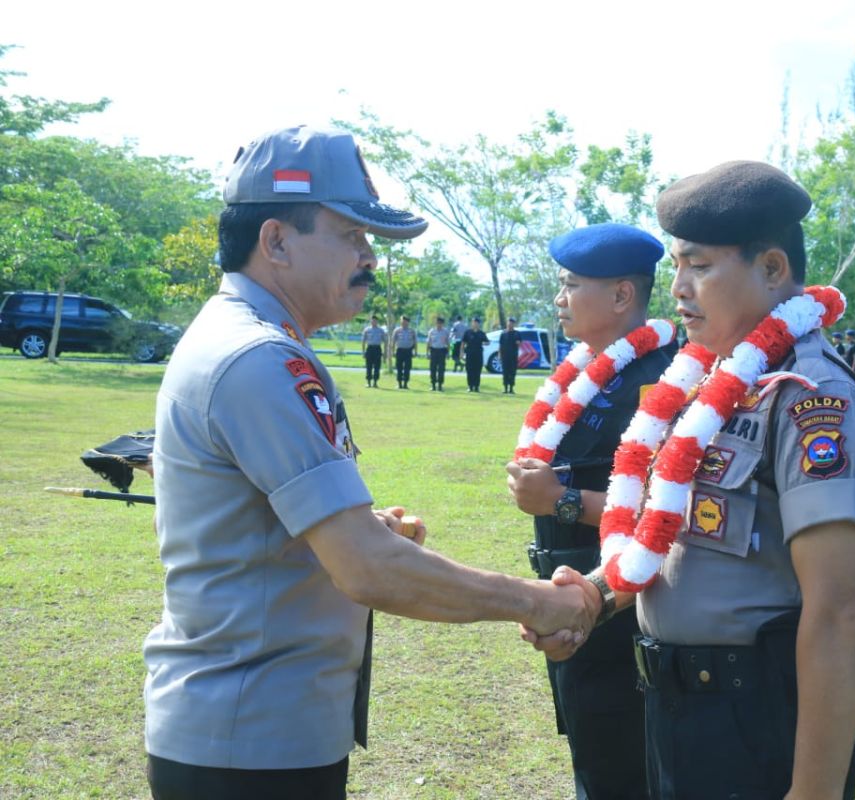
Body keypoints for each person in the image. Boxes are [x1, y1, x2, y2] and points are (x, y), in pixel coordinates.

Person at [144, 126, 595, 800]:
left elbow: (293, 524)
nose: (369, 258)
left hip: (256, 729)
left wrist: (362, 523)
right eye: (351, 237)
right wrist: (540, 602)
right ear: (276, 241)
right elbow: (368, 568)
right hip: (249, 744)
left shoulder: (250, 340)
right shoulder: (260, 357)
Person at [524, 161, 855, 800]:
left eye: (698, 266)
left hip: (752, 721)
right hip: (675, 704)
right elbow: (675, 533)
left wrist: (812, 793)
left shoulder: (809, 396)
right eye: (675, 267)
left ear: (773, 269)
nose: (678, 288)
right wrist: (592, 599)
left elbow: (841, 613)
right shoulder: (704, 384)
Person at [507, 222, 676, 800]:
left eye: (570, 284)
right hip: (572, 592)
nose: (559, 299)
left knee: (621, 769)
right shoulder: (582, 368)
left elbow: (671, 512)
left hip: (620, 603)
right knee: (594, 753)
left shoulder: (662, 379)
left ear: (622, 296)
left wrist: (564, 503)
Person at [461, 317, 489, 392]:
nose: (475, 324)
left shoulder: (481, 333)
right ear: (472, 323)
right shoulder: (468, 332)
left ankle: (476, 386)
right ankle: (470, 386)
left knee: (477, 371)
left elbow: (487, 342)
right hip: (469, 354)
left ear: (479, 324)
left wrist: (484, 342)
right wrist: (462, 352)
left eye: (477, 323)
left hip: (478, 354)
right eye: (474, 322)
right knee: (469, 370)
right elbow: (463, 343)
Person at [391, 315, 416, 389]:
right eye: (402, 321)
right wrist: (392, 351)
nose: (403, 322)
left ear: (407, 322)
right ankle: (399, 383)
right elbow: (393, 341)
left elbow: (415, 342)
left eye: (404, 321)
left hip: (408, 351)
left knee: (407, 368)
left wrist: (415, 351)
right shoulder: (397, 330)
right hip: (400, 350)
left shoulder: (412, 331)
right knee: (399, 367)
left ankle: (405, 384)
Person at [426, 316, 450, 391]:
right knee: (433, 368)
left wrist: (448, 353)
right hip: (433, 351)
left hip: (442, 351)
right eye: (438, 323)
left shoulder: (445, 332)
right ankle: (433, 385)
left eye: (440, 323)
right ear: (436, 323)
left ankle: (440, 385)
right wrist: (427, 352)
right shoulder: (431, 331)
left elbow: (448, 343)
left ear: (442, 324)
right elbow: (429, 342)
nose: (439, 324)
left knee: (441, 369)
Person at [361, 314, 385, 387]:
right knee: (369, 366)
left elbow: (385, 342)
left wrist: (385, 352)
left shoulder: (381, 330)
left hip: (377, 349)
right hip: (370, 349)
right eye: (373, 320)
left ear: (377, 321)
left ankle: (375, 382)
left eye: (375, 321)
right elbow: (363, 341)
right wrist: (363, 351)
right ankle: (368, 382)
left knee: (377, 366)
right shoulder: (367, 330)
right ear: (371, 321)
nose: (374, 322)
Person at [498, 316, 520, 394]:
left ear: (514, 324)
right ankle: (505, 388)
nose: (510, 324)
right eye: (509, 322)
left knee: (512, 372)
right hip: (505, 355)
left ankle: (511, 388)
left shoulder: (517, 333)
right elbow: (500, 345)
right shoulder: (503, 333)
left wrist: (518, 343)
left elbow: (520, 343)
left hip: (513, 356)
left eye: (512, 323)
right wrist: (499, 354)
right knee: (505, 372)